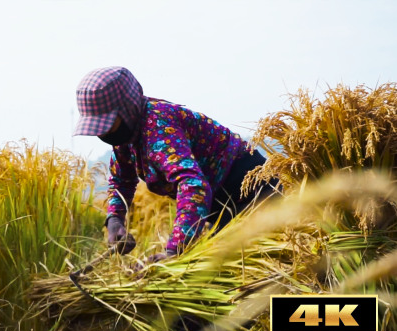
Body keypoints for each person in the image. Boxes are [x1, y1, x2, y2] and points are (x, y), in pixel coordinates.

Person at [73, 66, 278, 265]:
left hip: (250, 191)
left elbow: (193, 184)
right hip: (217, 203)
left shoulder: (159, 127)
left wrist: (174, 250)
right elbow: (121, 180)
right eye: (97, 127)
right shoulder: (125, 139)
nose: (103, 134)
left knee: (230, 268)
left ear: (127, 109)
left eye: (106, 124)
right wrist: (115, 219)